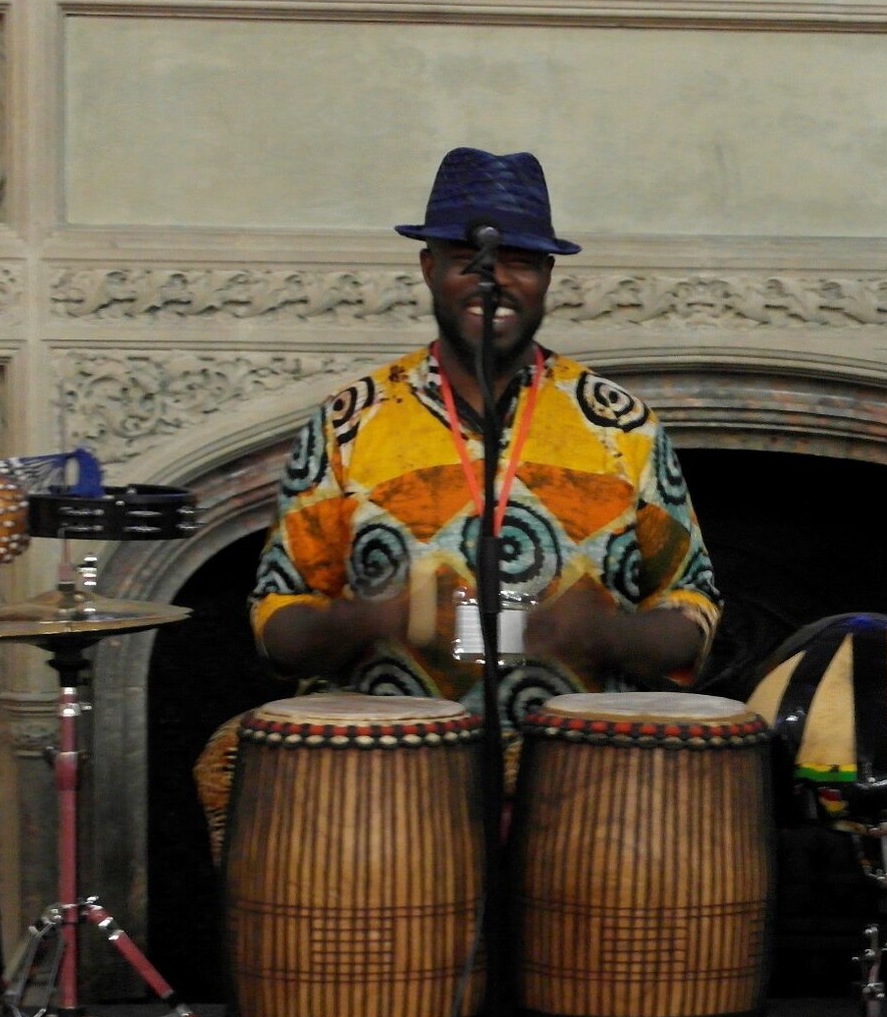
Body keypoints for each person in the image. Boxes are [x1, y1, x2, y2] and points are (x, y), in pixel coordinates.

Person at [246, 146, 719, 738]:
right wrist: (366, 619)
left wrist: (605, 633)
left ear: (548, 275)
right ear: (429, 269)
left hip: (582, 764)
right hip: (388, 767)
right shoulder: (350, 421)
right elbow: (276, 622)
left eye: (520, 262)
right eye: (467, 261)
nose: (493, 281)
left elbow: (691, 605)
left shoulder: (620, 425)